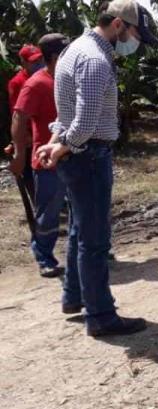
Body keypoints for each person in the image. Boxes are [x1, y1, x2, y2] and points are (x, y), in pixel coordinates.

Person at [35, 0, 158, 337]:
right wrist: (66, 144)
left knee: (79, 230)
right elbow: (86, 119)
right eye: (135, 33)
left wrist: (58, 140)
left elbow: (68, 111)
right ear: (118, 24)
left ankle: (73, 297)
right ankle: (101, 316)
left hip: (79, 153)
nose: (135, 41)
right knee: (95, 240)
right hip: (89, 156)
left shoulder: (76, 49)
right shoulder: (95, 59)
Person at [10, 34, 70, 278]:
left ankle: (88, 250)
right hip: (47, 159)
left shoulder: (69, 78)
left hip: (73, 154)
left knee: (81, 208)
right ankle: (44, 256)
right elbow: (19, 117)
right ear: (55, 57)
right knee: (49, 214)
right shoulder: (35, 84)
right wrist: (18, 154)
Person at [5, 45, 45, 195]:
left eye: (40, 60)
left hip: (44, 131)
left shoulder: (46, 76)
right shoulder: (17, 82)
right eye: (33, 62)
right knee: (30, 172)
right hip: (29, 136)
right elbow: (17, 113)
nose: (38, 64)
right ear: (23, 62)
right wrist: (24, 136)